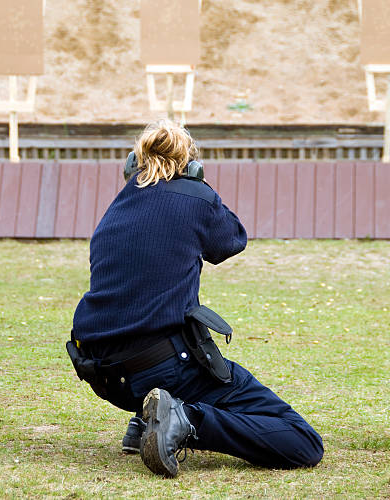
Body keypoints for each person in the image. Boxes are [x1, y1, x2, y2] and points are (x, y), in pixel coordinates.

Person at [69, 119, 324, 478]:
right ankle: (183, 418)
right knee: (303, 442)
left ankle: (144, 421)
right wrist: (200, 186)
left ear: (133, 163)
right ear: (191, 166)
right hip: (162, 368)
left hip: (105, 374)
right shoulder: (196, 196)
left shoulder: (118, 204)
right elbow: (231, 240)